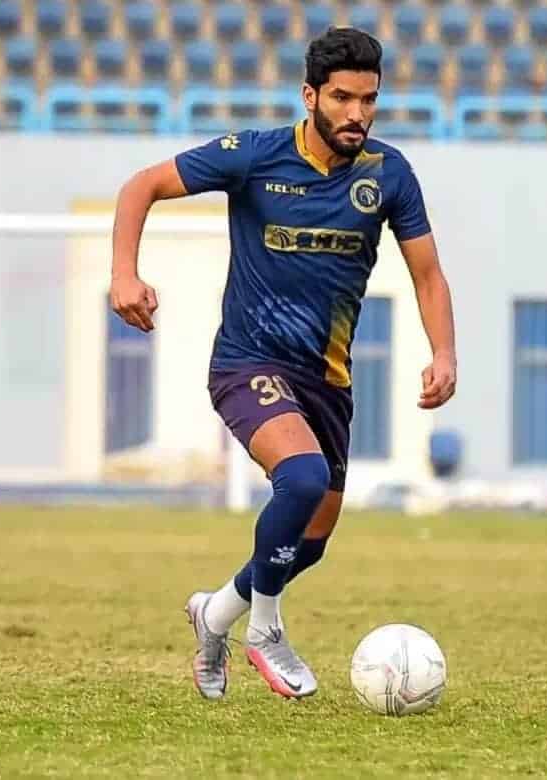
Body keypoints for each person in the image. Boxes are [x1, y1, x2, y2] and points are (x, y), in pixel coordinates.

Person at [108, 28, 457, 699]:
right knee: (301, 479)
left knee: (311, 539)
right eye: (343, 98)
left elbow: (428, 274)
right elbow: (141, 185)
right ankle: (265, 630)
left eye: (369, 100)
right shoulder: (254, 155)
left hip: (327, 381)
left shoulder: (389, 174)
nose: (357, 113)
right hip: (248, 363)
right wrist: (124, 273)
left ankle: (215, 615)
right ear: (310, 96)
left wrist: (443, 352)